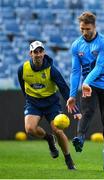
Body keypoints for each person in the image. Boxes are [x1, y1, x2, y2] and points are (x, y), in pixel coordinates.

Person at [18, 40, 81, 170]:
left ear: (44, 52)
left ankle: (68, 159)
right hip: (33, 103)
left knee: (58, 130)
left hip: (51, 104)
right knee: (30, 129)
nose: (39, 54)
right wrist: (28, 100)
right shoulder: (22, 69)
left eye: (41, 51)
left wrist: (75, 110)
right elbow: (23, 86)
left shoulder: (51, 70)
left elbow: (64, 88)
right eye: (36, 52)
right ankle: (49, 139)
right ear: (31, 53)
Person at [67, 12, 104, 172]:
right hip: (89, 87)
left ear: (94, 26)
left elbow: (100, 66)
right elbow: (75, 71)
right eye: (82, 29)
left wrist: (86, 82)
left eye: (87, 29)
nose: (84, 32)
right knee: (87, 111)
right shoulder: (76, 45)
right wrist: (72, 95)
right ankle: (80, 138)